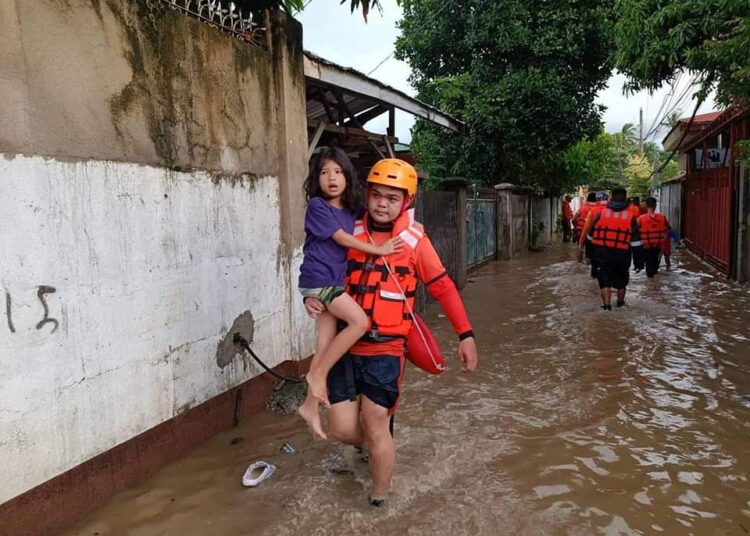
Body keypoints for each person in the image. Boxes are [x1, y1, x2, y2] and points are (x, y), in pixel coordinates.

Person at [304, 158, 478, 506]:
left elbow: (442, 287)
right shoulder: (347, 228)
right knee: (341, 429)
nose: (383, 203)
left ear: (406, 202)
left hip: (386, 349)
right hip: (344, 346)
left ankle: (379, 499)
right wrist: (311, 296)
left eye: (392, 198)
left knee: (375, 420)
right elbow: (318, 264)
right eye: (377, 195)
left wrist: (465, 334)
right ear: (366, 195)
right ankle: (376, 439)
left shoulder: (415, 240)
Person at [297, 148, 403, 440]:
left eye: (338, 172)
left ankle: (308, 405)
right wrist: (380, 250)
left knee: (325, 342)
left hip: (328, 285)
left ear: (347, 176)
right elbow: (342, 239)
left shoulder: (351, 210)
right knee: (359, 322)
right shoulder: (318, 206)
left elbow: (380, 211)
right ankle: (317, 377)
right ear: (316, 179)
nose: (331, 178)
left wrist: (410, 223)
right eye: (324, 172)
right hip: (321, 281)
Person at [578, 187, 642, 309]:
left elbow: (590, 237)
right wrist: (638, 264)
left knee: (604, 281)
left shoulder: (601, 213)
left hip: (603, 254)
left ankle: (606, 307)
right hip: (622, 255)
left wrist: (589, 256)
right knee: (621, 282)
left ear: (611, 198)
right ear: (625, 199)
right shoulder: (630, 217)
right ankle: (620, 303)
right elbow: (636, 243)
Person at [637, 197, 670, 278]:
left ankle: (650, 284)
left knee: (648, 264)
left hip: (646, 246)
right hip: (658, 245)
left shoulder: (641, 218)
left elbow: (635, 231)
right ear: (655, 205)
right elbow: (669, 228)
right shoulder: (662, 217)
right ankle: (655, 285)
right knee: (655, 264)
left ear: (646, 206)